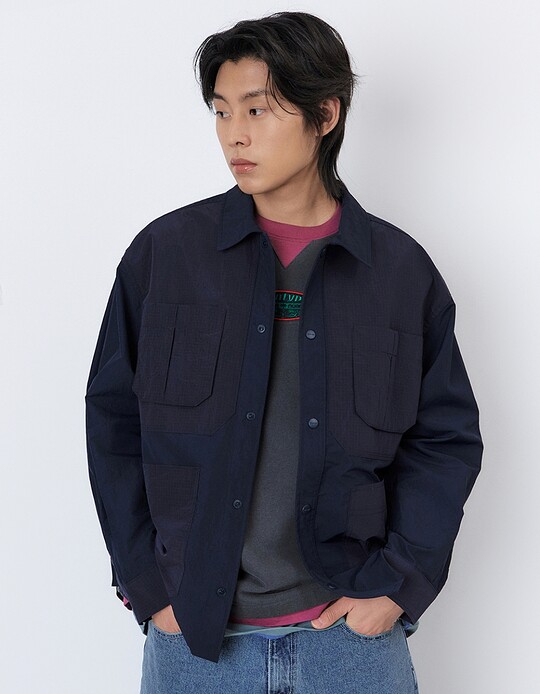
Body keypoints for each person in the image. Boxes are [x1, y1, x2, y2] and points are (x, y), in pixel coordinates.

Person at [85, 11, 483, 693]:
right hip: (196, 642)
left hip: (351, 648)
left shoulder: (399, 273)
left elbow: (444, 440)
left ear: (324, 115)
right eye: (221, 111)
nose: (233, 134)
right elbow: (113, 424)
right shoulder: (166, 258)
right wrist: (148, 586)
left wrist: (399, 584)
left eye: (258, 109)